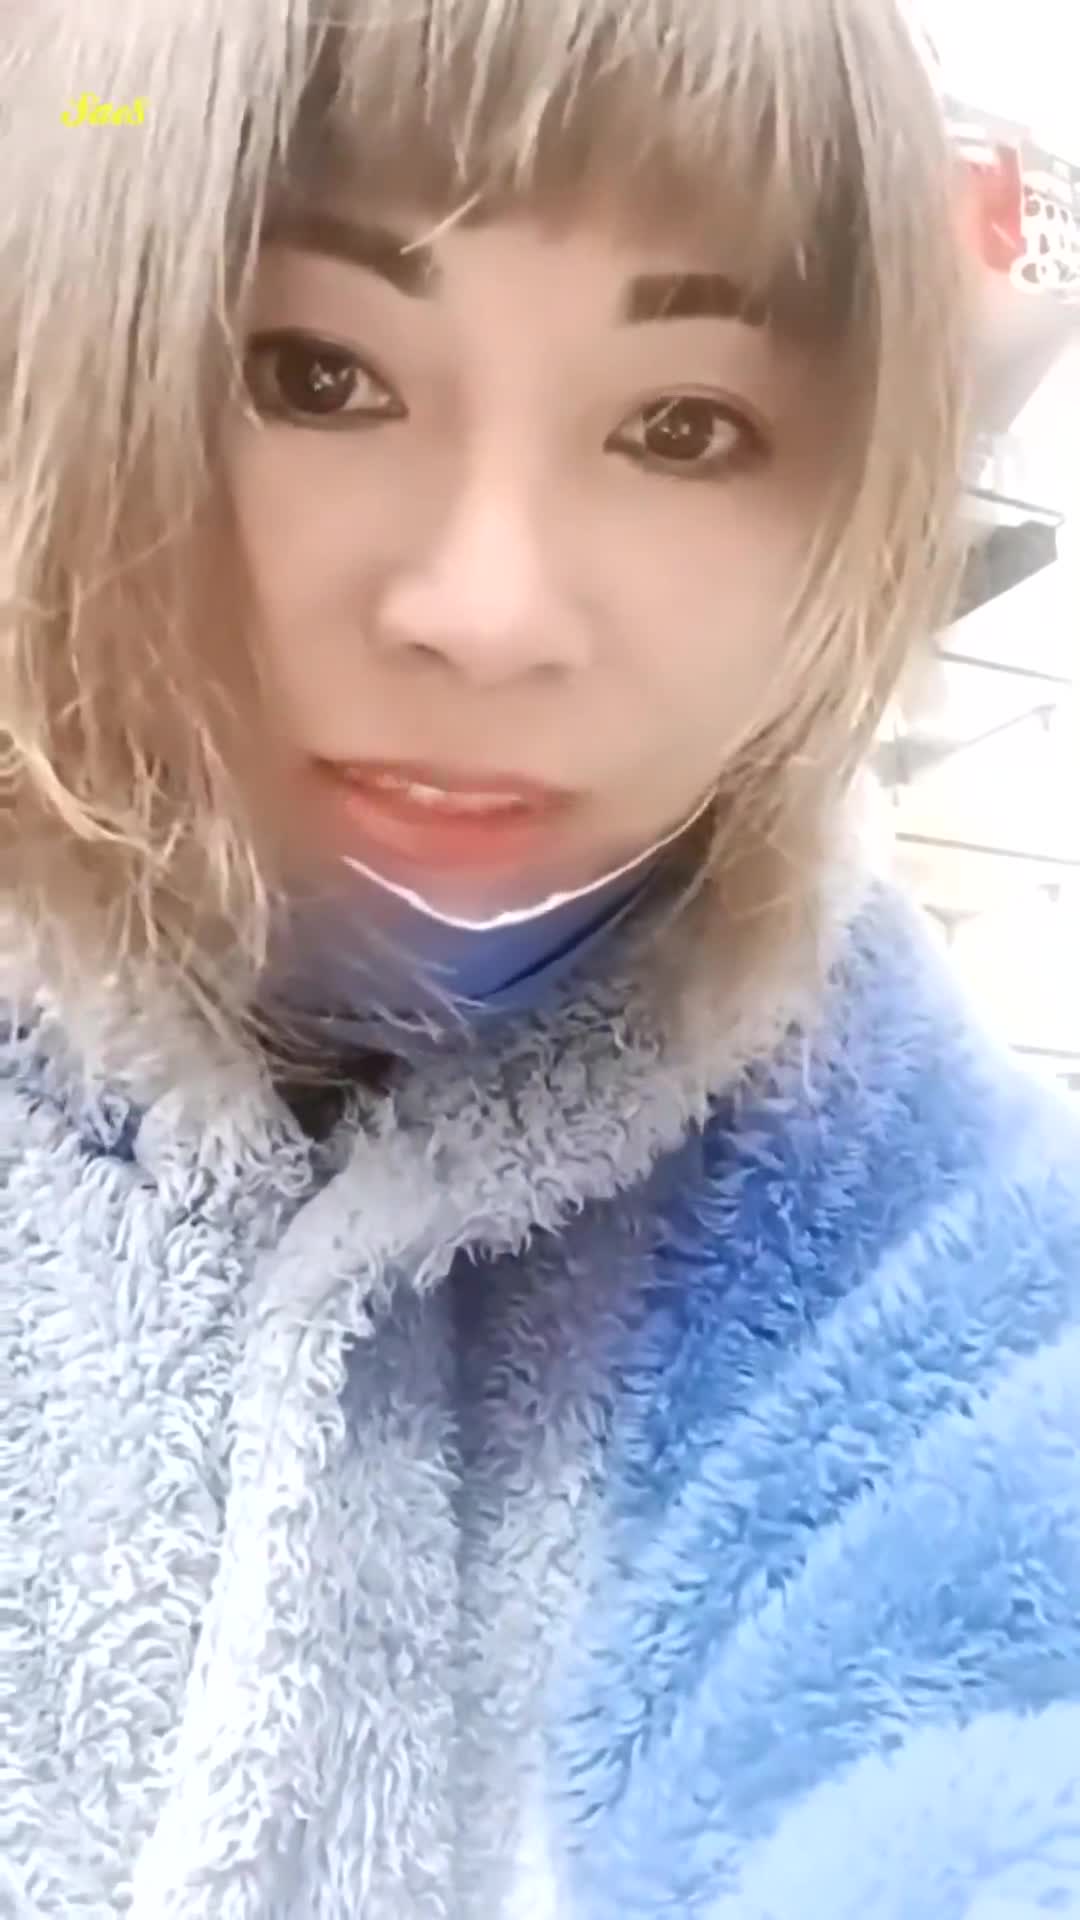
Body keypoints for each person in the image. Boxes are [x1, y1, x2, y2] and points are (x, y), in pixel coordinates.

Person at [3, 3, 1080, 1915]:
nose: (489, 610)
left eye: (683, 426)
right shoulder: (83, 103)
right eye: (315, 372)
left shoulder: (923, 1243)